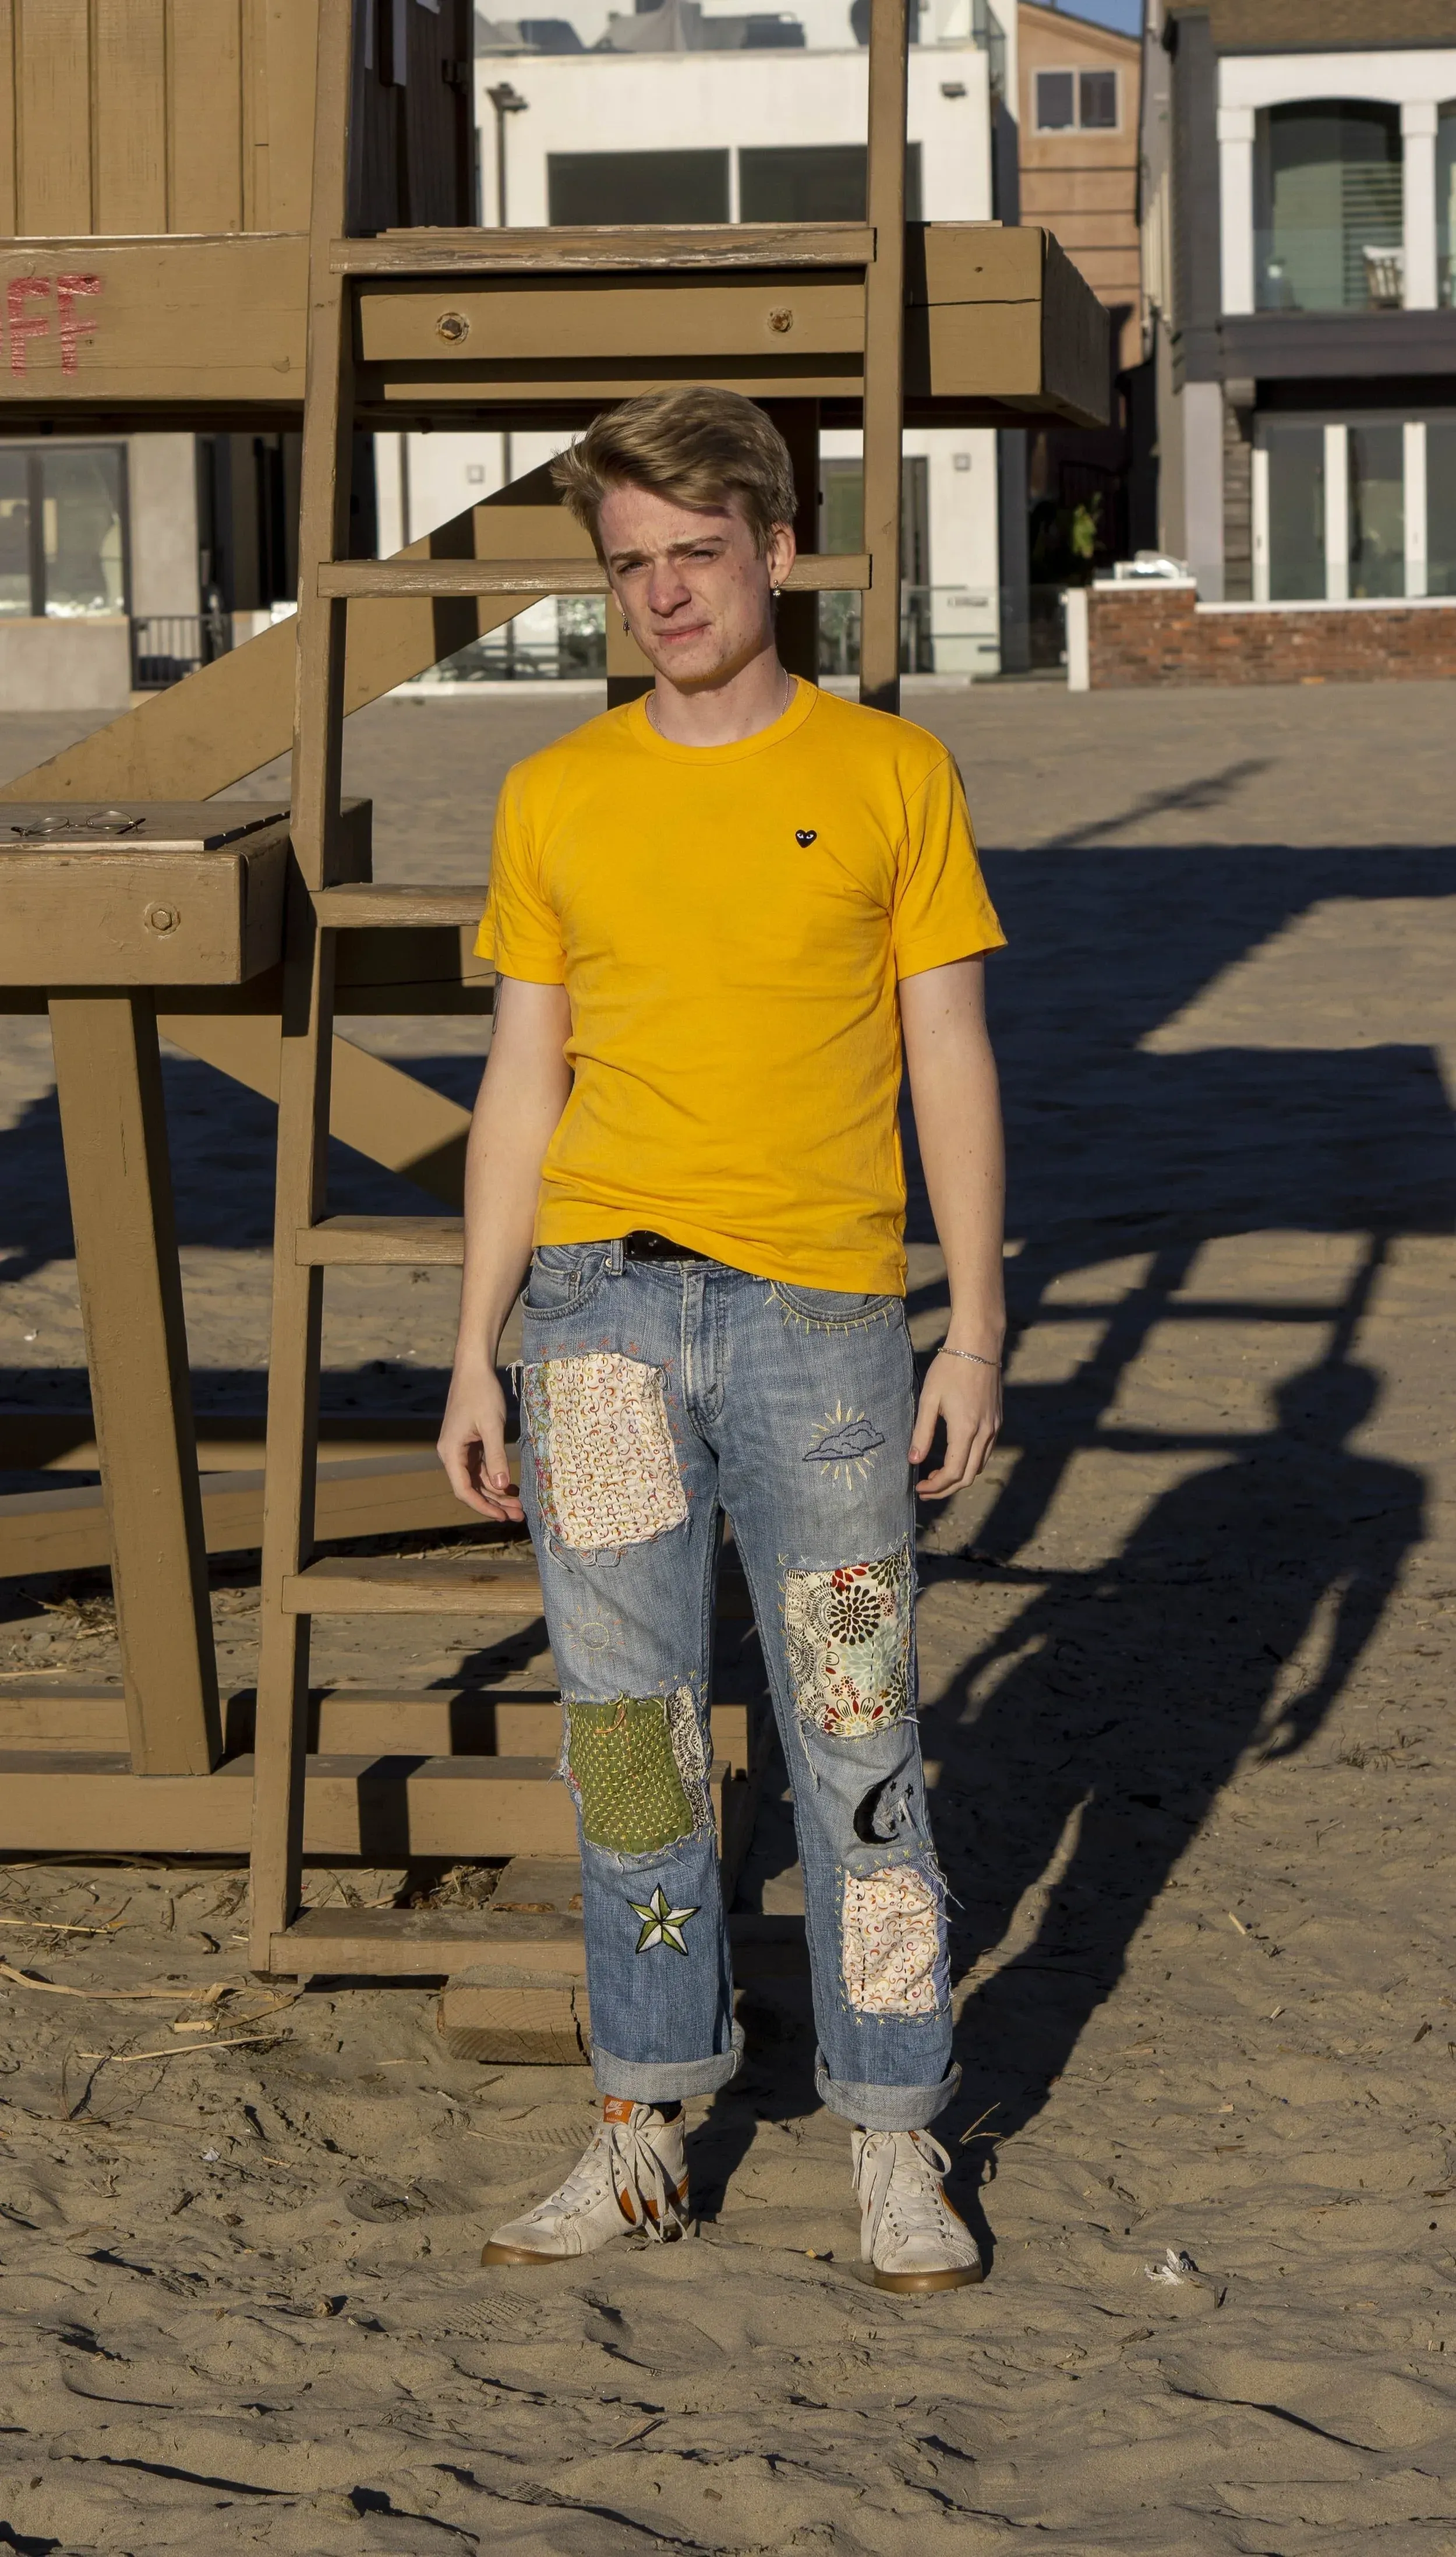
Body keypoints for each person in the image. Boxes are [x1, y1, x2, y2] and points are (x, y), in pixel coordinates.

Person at [438, 386, 1006, 2294]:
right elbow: (522, 1077)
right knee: (629, 1749)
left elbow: (949, 1053)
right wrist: (474, 1345)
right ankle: (641, 2108)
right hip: (596, 1320)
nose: (665, 592)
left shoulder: (888, 776)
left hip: (825, 1328)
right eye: (630, 565)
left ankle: (894, 2124)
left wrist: (976, 1322)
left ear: (771, 548)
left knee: (860, 1745)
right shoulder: (557, 792)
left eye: (696, 552)